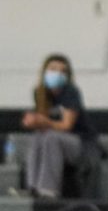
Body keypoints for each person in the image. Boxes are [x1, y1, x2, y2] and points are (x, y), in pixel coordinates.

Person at [19, 54, 98, 198]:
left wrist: (44, 121)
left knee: (51, 137)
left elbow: (66, 125)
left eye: (63, 71)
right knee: (38, 136)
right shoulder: (39, 92)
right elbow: (43, 124)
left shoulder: (71, 92)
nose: (58, 74)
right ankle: (31, 186)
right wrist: (33, 121)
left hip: (81, 145)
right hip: (56, 142)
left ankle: (48, 190)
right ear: (44, 72)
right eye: (53, 69)